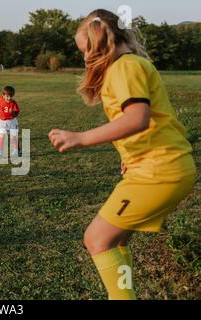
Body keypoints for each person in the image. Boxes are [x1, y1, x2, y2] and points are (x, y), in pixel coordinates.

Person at [48, 9, 196, 300]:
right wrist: (128, 158)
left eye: (85, 51)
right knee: (115, 241)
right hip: (151, 168)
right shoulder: (126, 66)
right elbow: (146, 124)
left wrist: (81, 138)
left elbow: (136, 118)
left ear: (101, 43)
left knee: (96, 239)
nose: (85, 59)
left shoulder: (125, 67)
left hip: (161, 171)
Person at [0, 86, 20, 157]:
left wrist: (13, 112)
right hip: (2, 122)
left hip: (11, 121)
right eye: (7, 96)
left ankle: (16, 150)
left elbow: (17, 113)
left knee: (13, 136)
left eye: (11, 96)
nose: (9, 98)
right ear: (3, 95)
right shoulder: (0, 99)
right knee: (2, 136)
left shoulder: (13, 103)